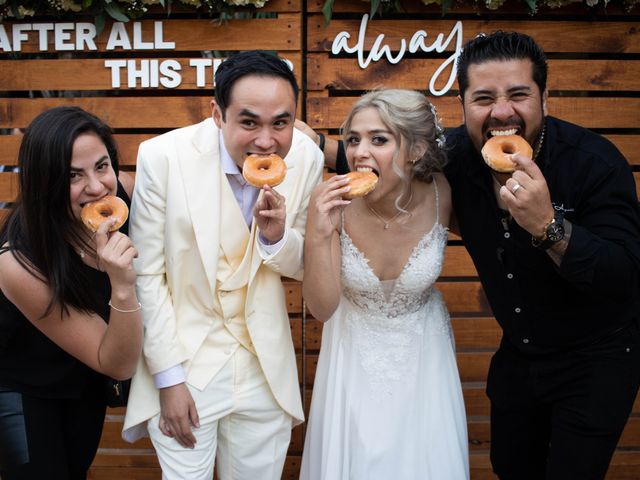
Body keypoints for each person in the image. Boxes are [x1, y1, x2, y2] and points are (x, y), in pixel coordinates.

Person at [445, 31, 640, 480]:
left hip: (598, 354)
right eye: (483, 98)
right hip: (521, 353)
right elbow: (381, 160)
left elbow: (625, 275)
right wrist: (314, 143)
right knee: (510, 467)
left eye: (518, 94)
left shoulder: (594, 162)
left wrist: (547, 226)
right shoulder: (457, 155)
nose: (501, 112)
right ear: (463, 106)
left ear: (545, 98)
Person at [121, 50, 324, 480]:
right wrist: (169, 380)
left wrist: (276, 238)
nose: (267, 141)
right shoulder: (163, 157)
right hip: (186, 365)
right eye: (249, 122)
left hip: (264, 370)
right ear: (217, 113)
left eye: (281, 123)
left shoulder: (306, 158)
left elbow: (306, 262)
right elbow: (147, 275)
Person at [299, 89, 469, 479]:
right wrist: (318, 231)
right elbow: (322, 308)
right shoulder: (333, 205)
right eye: (354, 139)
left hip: (425, 354)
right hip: (352, 353)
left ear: (415, 151)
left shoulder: (443, 194)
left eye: (379, 140)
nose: (359, 152)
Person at [0, 106, 142, 479]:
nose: (96, 187)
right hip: (23, 395)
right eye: (73, 176)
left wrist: (309, 139)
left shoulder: (120, 192)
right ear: (44, 183)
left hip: (81, 387)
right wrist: (123, 288)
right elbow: (116, 363)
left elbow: (183, 158)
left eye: (101, 166)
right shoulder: (17, 263)